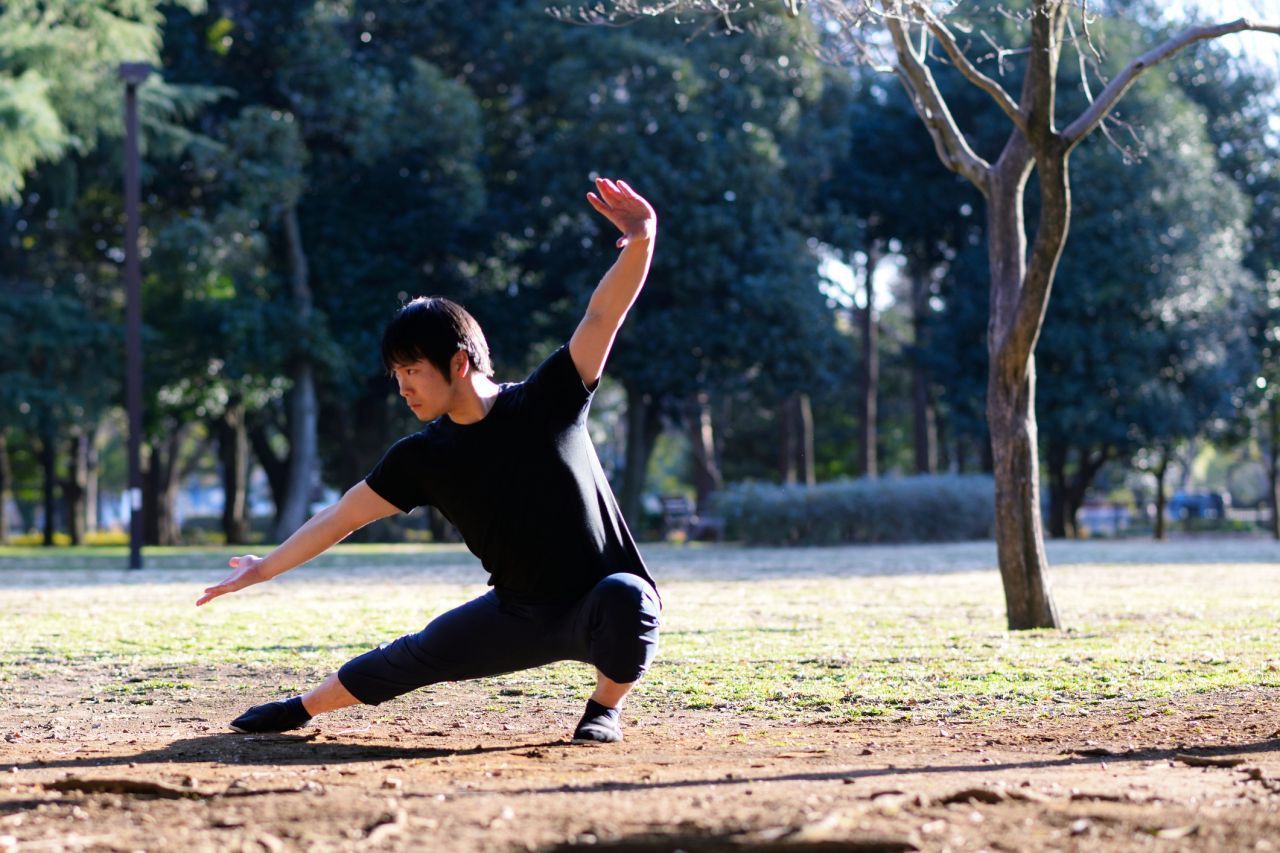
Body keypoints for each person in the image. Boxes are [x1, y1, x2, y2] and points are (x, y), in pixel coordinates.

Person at [197, 178, 660, 744]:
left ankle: (602, 710)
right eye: (396, 375)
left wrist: (641, 237)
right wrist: (264, 567)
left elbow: (600, 318)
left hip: (597, 605)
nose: (403, 388)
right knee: (416, 654)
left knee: (628, 597)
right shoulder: (423, 457)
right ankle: (301, 709)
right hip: (519, 613)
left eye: (412, 370)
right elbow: (341, 517)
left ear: (459, 362)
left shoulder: (547, 403)